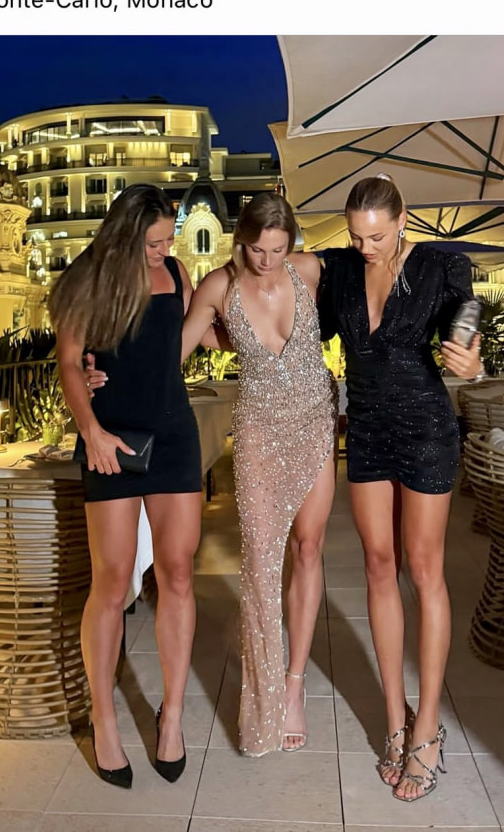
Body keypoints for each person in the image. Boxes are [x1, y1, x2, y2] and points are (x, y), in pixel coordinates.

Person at [88, 192, 336, 756]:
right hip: (258, 430)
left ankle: (293, 684)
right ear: (239, 240)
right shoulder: (216, 288)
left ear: (292, 246)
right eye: (257, 249)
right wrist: (95, 368)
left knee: (309, 548)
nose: (268, 260)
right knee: (261, 563)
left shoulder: (310, 270)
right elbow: (166, 353)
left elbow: (358, 314)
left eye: (278, 249)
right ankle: (262, 701)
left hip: (315, 421)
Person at [318, 174, 482, 803]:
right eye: (357, 237)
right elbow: (285, 291)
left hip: (426, 430)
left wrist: (470, 356)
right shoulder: (339, 270)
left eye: (378, 237)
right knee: (378, 565)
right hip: (366, 428)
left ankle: (428, 727)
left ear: (402, 221)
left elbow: (468, 317)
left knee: (424, 568)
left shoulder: (441, 267)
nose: (367, 248)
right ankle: (395, 719)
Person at [49, 184, 205, 788]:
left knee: (178, 573)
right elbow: (68, 362)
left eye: (168, 240)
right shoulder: (87, 280)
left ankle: (173, 717)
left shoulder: (178, 273)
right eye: (154, 243)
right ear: (124, 237)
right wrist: (90, 431)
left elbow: (175, 351)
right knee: (112, 583)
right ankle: (104, 718)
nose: (165, 250)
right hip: (110, 437)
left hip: (174, 434)